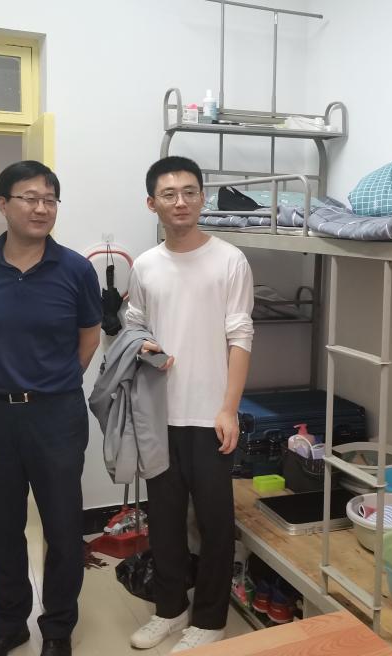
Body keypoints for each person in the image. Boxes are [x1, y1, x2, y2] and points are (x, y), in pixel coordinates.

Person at [0, 161, 102, 656]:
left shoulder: (76, 269)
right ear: (3, 204)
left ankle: (57, 628)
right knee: (3, 528)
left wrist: (52, 382)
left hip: (57, 415)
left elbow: (88, 337)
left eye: (50, 200)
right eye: (30, 198)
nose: (41, 208)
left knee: (63, 527)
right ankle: (9, 624)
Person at [126, 156, 253, 653]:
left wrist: (229, 409)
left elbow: (240, 337)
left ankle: (211, 619)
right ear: (151, 203)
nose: (180, 201)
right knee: (164, 520)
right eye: (169, 193)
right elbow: (134, 323)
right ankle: (170, 608)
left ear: (202, 198)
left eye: (189, 192)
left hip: (210, 415)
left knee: (216, 522)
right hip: (160, 414)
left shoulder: (229, 260)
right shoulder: (145, 265)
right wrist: (142, 344)